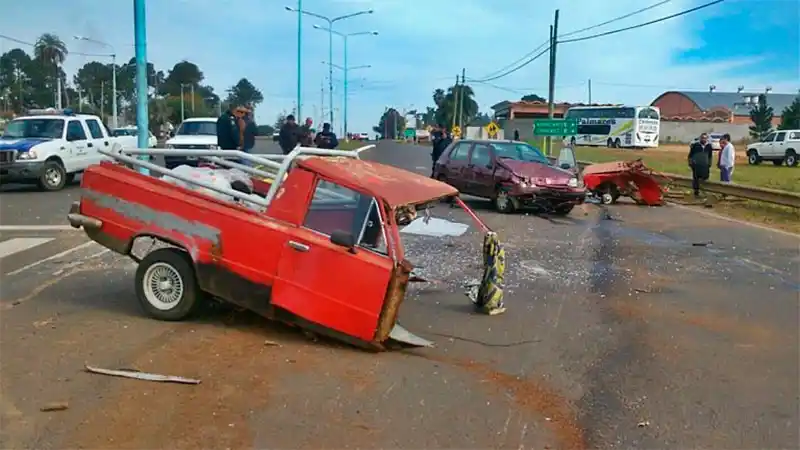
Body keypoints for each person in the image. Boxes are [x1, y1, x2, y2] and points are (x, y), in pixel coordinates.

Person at [688, 132, 713, 197]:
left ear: (707, 139)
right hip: (696, 166)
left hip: (705, 166)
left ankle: (704, 192)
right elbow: (690, 155)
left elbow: (710, 156)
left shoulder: (709, 146)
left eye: (705, 138)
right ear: (700, 138)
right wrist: (691, 163)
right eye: (702, 138)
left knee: (705, 179)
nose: (704, 139)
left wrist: (709, 164)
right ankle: (696, 192)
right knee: (696, 179)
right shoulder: (695, 145)